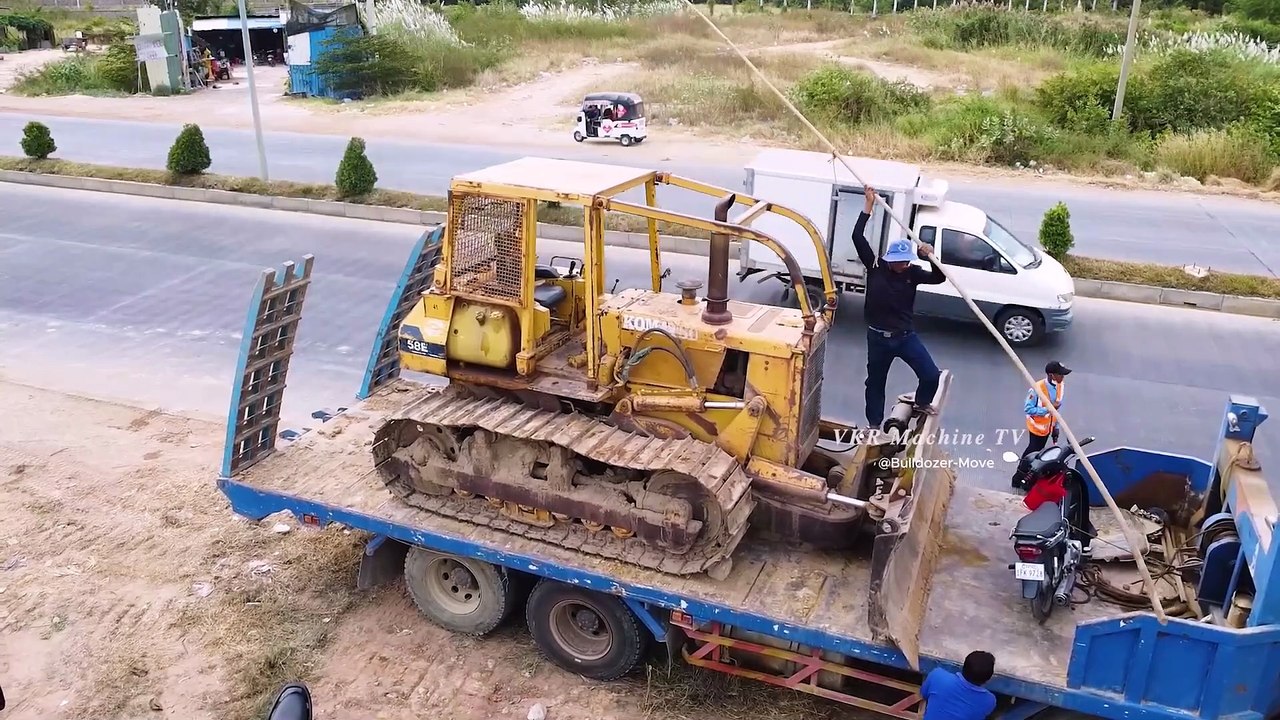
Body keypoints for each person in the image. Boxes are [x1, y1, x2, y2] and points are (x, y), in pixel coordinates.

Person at [853, 186, 947, 430]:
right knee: (875, 383)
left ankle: (922, 401)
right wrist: (868, 206)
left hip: (904, 336)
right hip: (877, 338)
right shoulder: (874, 266)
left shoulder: (913, 273)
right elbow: (857, 237)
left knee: (930, 375)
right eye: (900, 262)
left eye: (907, 261)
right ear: (890, 259)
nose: (904, 265)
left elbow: (939, 278)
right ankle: (873, 424)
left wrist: (929, 257)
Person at [919, 651, 997, 720]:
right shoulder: (989, 701)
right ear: (988, 679)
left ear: (963, 667)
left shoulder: (937, 676)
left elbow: (923, 693)